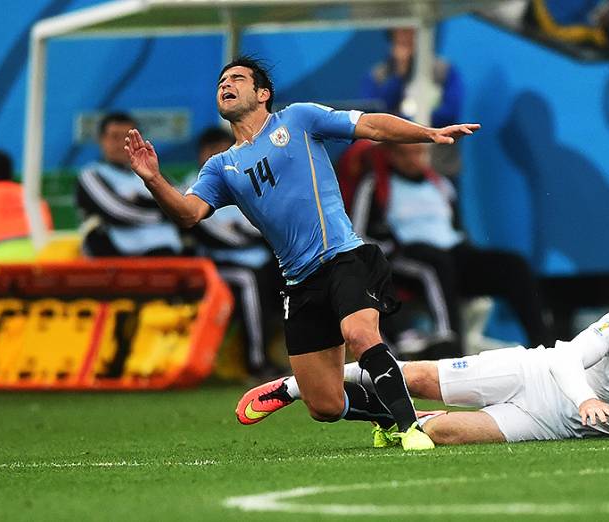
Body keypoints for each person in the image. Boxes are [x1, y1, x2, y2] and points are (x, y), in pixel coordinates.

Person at [124, 56, 480, 451]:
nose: (226, 84)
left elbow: (370, 124)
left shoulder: (298, 119)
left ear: (263, 94)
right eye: (221, 81)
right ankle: (388, 413)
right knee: (324, 404)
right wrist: (155, 179)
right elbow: (188, 214)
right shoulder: (220, 167)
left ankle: (412, 427)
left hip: (345, 257)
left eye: (237, 79)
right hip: (298, 282)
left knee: (360, 335)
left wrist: (427, 134)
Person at [245, 296, 609, 446]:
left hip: (546, 424)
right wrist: (583, 401)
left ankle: (386, 419)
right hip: (532, 373)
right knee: (415, 374)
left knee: (435, 433)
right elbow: (571, 358)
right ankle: (294, 385)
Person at [347, 140, 553, 356]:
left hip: (451, 252)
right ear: (390, 154)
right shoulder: (374, 184)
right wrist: (390, 249)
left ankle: (544, 347)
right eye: (404, 154)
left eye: (418, 153)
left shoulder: (440, 184)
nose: (412, 160)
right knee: (437, 264)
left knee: (514, 265)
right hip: (404, 256)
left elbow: (455, 228)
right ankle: (450, 345)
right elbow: (359, 233)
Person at [182, 126, 285, 378]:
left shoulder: (248, 182)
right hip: (214, 267)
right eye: (211, 151)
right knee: (248, 280)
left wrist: (250, 234)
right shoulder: (191, 189)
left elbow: (269, 223)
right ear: (200, 156)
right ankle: (257, 363)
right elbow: (213, 236)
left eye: (223, 149)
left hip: (263, 261)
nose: (217, 156)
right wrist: (253, 236)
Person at [76, 112, 182, 257]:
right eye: (114, 137)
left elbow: (181, 200)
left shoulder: (151, 172)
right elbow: (117, 212)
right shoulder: (91, 175)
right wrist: (164, 214)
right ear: (101, 140)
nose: (121, 144)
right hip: (118, 260)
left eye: (127, 138)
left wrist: (140, 202)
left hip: (166, 252)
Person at [362, 27, 464, 177]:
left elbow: (450, 113)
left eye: (411, 31)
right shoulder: (377, 75)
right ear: (392, 35)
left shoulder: (444, 71)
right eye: (402, 31)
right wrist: (399, 74)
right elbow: (374, 116)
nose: (407, 38)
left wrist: (405, 122)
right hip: (391, 172)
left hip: (440, 165)